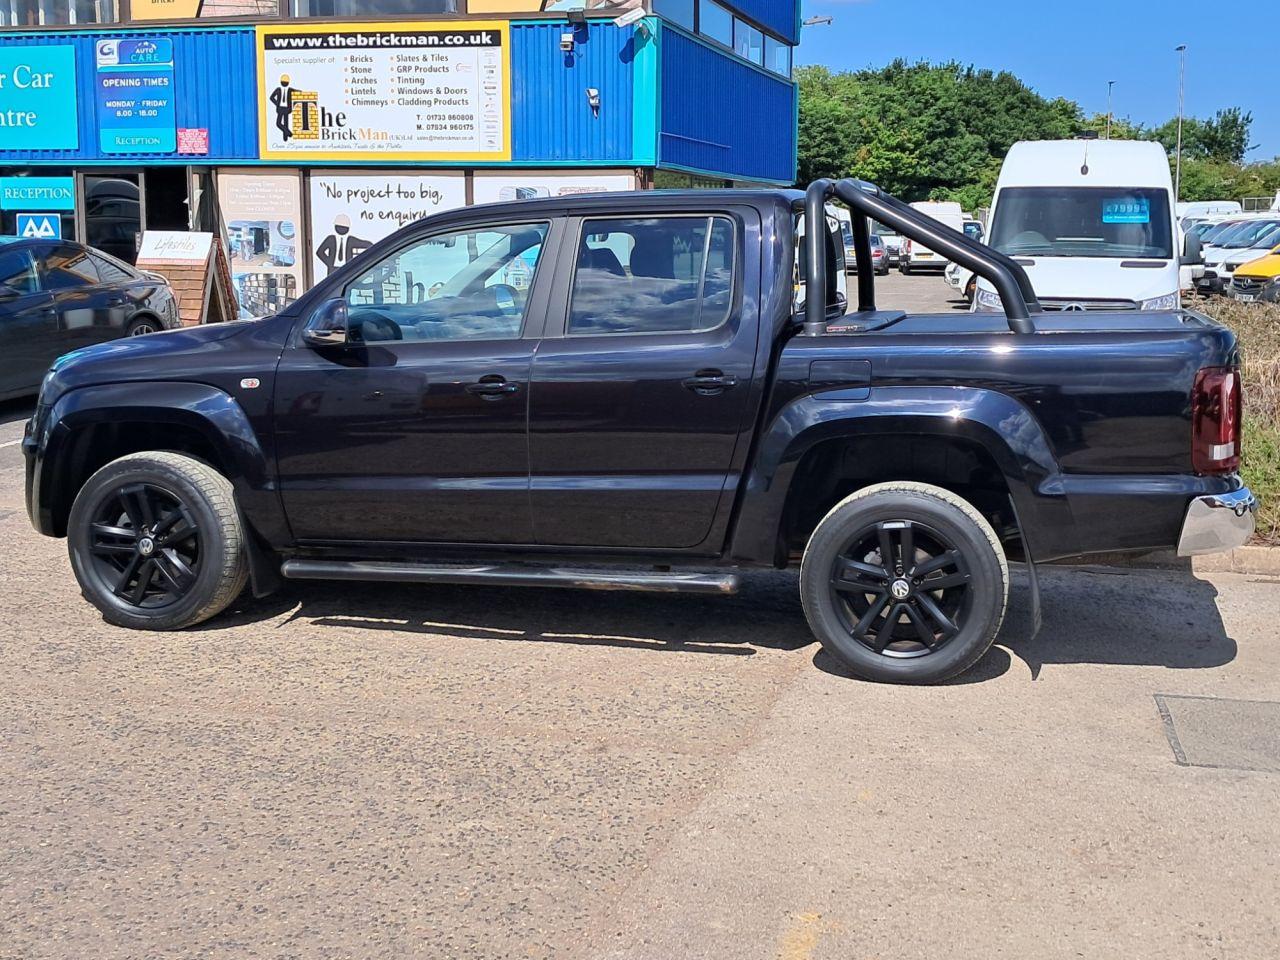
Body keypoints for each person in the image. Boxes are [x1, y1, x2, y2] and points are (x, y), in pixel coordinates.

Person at [269, 75, 293, 142]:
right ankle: (290, 134)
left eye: (286, 81)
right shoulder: (278, 89)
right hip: (280, 108)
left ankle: (285, 138)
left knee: (286, 123)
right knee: (278, 123)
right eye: (283, 81)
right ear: (281, 82)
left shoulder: (290, 90)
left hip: (287, 109)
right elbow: (271, 97)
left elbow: (298, 91)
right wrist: (277, 104)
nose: (285, 83)